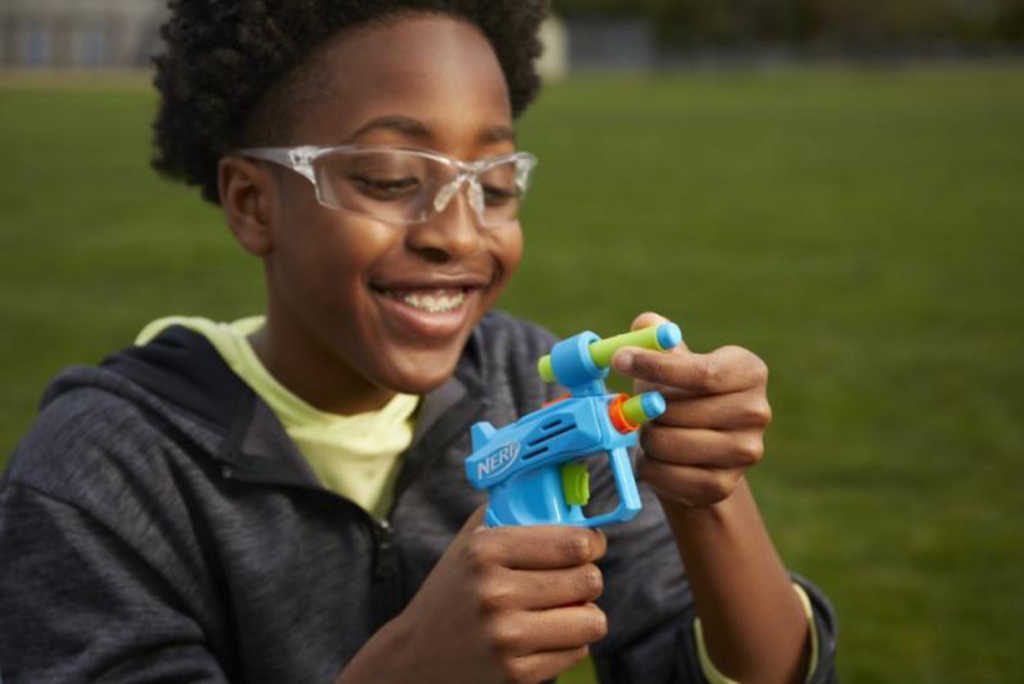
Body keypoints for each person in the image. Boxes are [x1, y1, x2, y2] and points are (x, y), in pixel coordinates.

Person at [0, 2, 837, 682]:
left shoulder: (527, 385)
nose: (459, 234)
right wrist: (412, 665)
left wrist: (709, 497)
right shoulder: (102, 475)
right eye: (392, 180)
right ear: (253, 204)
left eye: (495, 186)